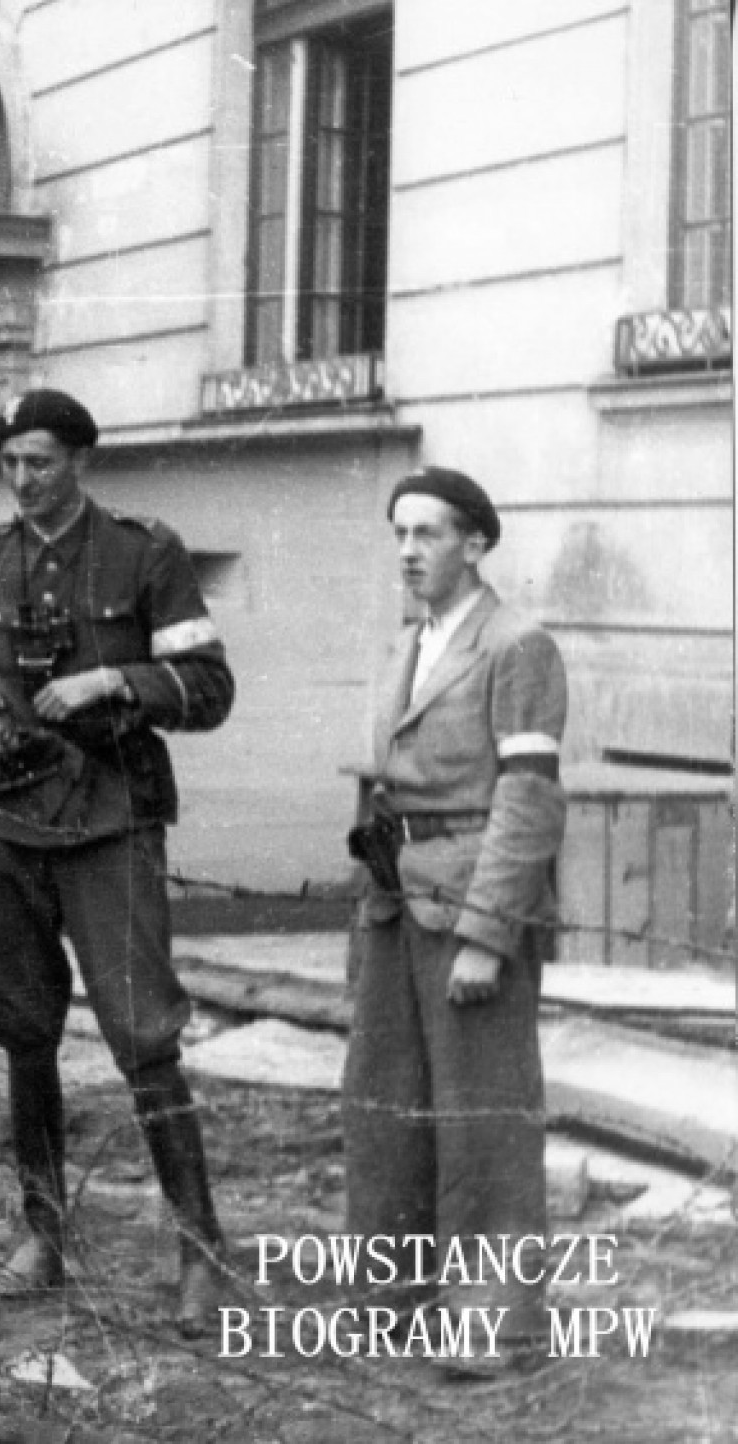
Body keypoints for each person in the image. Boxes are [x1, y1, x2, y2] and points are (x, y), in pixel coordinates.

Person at [0, 388, 234, 1336]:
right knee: (23, 1027)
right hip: (1, 811)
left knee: (143, 1036)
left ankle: (199, 1252)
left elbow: (212, 688)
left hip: (111, 814)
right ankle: (43, 1230)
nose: (24, 479)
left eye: (41, 462)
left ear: (79, 463)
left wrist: (119, 679)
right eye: (11, 463)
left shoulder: (146, 553)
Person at [345, 467, 566, 1372]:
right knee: (386, 1107)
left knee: (484, 1121)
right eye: (400, 533)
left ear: (474, 544)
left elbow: (530, 798)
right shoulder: (411, 643)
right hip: (396, 901)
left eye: (427, 534)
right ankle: (389, 1305)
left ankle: (495, 1325)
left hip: (471, 903)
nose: (408, 551)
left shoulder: (517, 645)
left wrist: (487, 932)